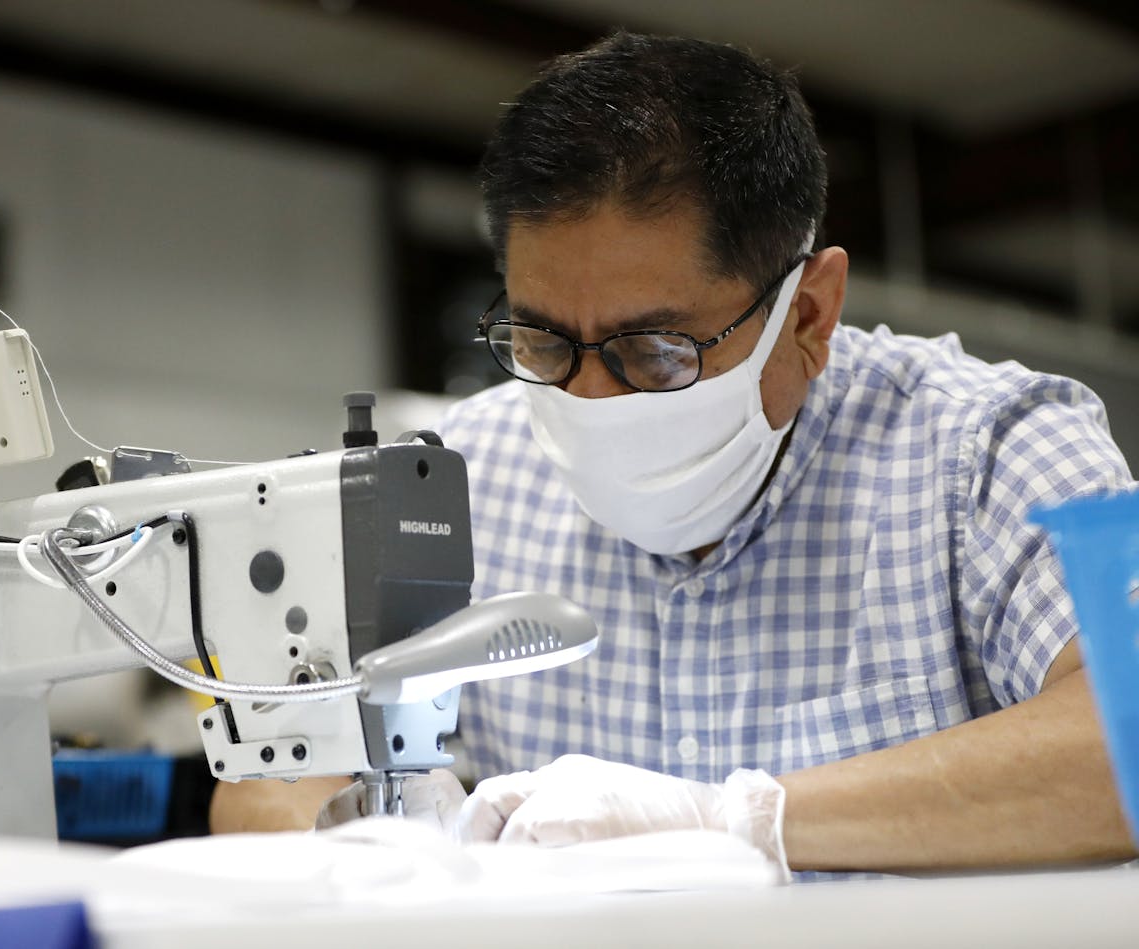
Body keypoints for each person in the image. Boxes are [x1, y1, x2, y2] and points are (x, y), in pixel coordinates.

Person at [212, 31, 1137, 875]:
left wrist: (743, 821)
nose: (589, 401)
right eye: (540, 342)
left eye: (655, 351)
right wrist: (366, 853)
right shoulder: (449, 482)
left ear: (808, 315)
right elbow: (268, 774)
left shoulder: (982, 452)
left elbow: (1125, 734)